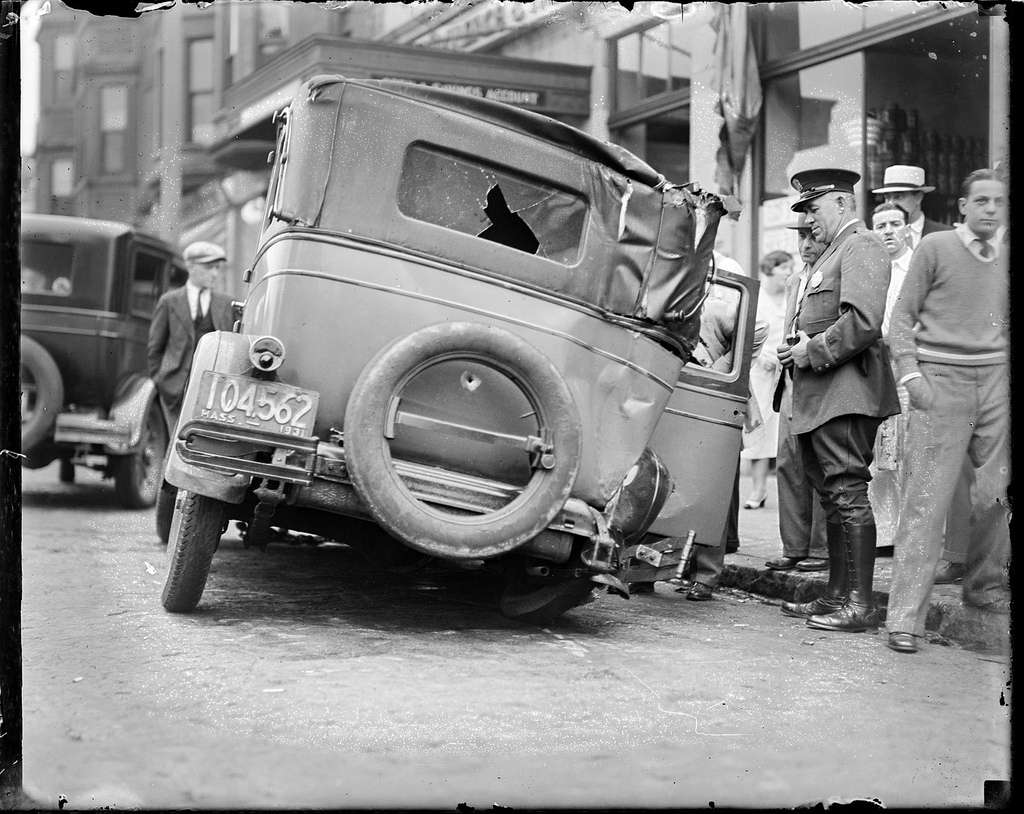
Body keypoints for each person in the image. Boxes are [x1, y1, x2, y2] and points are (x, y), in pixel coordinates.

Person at [884, 169, 1010, 654]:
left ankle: (984, 587)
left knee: (995, 495)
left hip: (996, 383)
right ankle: (904, 620)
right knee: (927, 499)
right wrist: (913, 376)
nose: (990, 210)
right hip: (942, 379)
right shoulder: (934, 250)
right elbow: (901, 319)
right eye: (980, 200)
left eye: (999, 202)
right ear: (962, 206)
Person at [774, 167, 900, 632]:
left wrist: (811, 350)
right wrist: (799, 349)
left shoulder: (861, 244)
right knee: (833, 496)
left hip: (847, 393)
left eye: (814, 207)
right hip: (823, 394)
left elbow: (863, 322)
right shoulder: (833, 251)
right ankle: (836, 596)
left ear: (843, 204)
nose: (808, 218)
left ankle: (859, 606)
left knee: (847, 493)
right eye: (804, 210)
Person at [682, 282, 768, 601]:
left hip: (710, 400)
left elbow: (757, 326)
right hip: (670, 398)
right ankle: (646, 570)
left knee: (711, 492)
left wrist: (726, 366)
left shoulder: (714, 306)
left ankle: (705, 575)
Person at [765, 214, 828, 572]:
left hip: (818, 379)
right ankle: (794, 546)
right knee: (788, 462)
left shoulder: (832, 274)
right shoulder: (794, 280)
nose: (805, 244)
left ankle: (820, 550)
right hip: (790, 379)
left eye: (811, 236)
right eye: (800, 237)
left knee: (818, 462)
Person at [147, 241, 236, 434]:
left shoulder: (227, 304)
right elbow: (155, 348)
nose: (214, 274)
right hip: (174, 391)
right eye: (208, 267)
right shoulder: (169, 301)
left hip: (212, 394)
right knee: (175, 444)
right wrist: (160, 380)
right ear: (190, 267)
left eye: (217, 268)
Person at [740, 250, 795, 510]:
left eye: (790, 268)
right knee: (760, 428)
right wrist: (759, 356)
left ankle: (788, 493)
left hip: (787, 367)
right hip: (761, 370)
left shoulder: (791, 297)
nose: (787, 272)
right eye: (783, 267)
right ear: (770, 269)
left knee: (786, 428)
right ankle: (759, 488)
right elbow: (745, 331)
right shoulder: (757, 297)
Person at [871, 164, 952, 250]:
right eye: (887, 198)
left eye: (898, 197)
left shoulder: (944, 234)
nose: (891, 203)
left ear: (918, 198)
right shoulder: (876, 236)